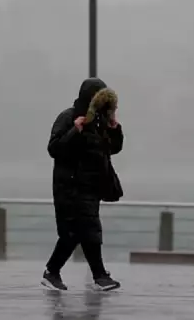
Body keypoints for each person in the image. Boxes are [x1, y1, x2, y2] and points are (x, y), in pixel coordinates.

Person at [41, 77, 124, 291]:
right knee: (74, 232)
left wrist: (115, 129)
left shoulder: (99, 121)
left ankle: (95, 276)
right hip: (68, 186)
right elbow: (54, 148)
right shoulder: (68, 117)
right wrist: (75, 130)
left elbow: (111, 149)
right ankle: (56, 272)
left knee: (87, 231)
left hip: (90, 186)